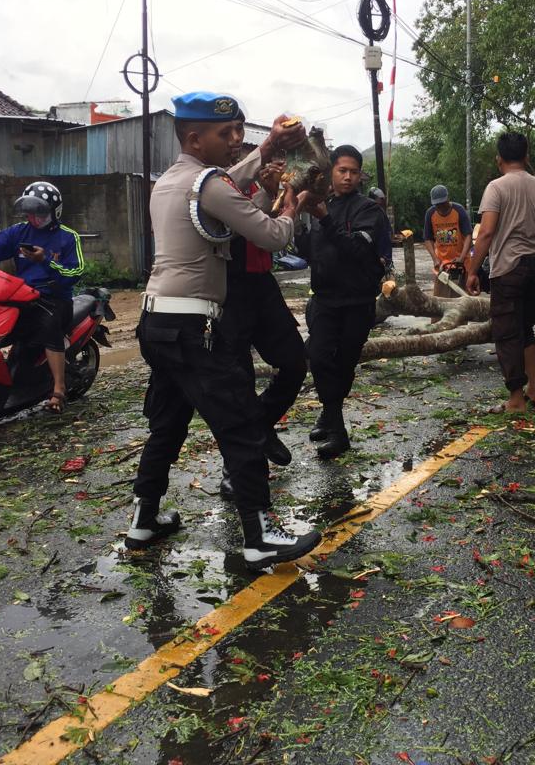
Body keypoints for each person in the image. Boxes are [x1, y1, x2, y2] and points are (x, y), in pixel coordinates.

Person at [127, 91, 320, 570]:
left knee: (168, 423)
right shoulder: (208, 183)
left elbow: (228, 188)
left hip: (156, 321)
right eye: (225, 133)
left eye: (238, 131)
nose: (235, 139)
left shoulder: (169, 181)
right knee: (242, 426)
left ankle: (144, 518)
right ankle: (260, 536)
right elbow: (273, 235)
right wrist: (292, 205)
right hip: (193, 325)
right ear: (195, 138)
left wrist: (268, 148)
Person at [217, 148, 308, 500]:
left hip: (262, 285)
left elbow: (276, 233)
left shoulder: (265, 188)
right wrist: (268, 197)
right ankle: (235, 469)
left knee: (295, 363)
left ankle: (260, 424)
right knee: (237, 382)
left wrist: (279, 195)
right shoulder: (215, 188)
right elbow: (236, 227)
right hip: (228, 288)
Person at [0, 181, 83, 413]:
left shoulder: (68, 237)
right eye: (30, 212)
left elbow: (75, 272)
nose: (34, 218)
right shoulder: (18, 232)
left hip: (54, 299)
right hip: (22, 296)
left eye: (40, 213)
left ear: (55, 212)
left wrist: (45, 261)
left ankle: (59, 389)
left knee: (50, 326)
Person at [296, 145, 388, 459]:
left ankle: (330, 417)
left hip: (357, 301)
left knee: (345, 363)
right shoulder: (319, 205)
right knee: (319, 356)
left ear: (360, 175)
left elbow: (357, 250)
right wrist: (298, 220)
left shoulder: (369, 210)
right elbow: (308, 251)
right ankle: (336, 426)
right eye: (342, 171)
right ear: (331, 172)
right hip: (324, 299)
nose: (348, 177)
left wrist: (324, 219)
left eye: (353, 172)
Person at [466, 132, 535, 414]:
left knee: (506, 334)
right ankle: (534, 390)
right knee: (525, 329)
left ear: (499, 159)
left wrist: (472, 270)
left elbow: (486, 232)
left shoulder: (496, 188)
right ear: (526, 156)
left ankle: (516, 399)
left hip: (508, 270)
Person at [423, 185, 473, 299]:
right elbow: (427, 239)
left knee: (463, 299)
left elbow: (468, 236)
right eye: (437, 205)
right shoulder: (430, 213)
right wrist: (435, 259)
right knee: (440, 299)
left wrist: (462, 257)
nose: (440, 207)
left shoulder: (459, 210)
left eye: (442, 203)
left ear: (448, 199)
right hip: (442, 265)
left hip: (462, 263)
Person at [368, 187, 394, 270]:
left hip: (385, 252)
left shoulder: (380, 210)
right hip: (379, 254)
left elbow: (387, 230)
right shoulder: (370, 211)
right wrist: (378, 256)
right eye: (380, 199)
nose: (382, 201)